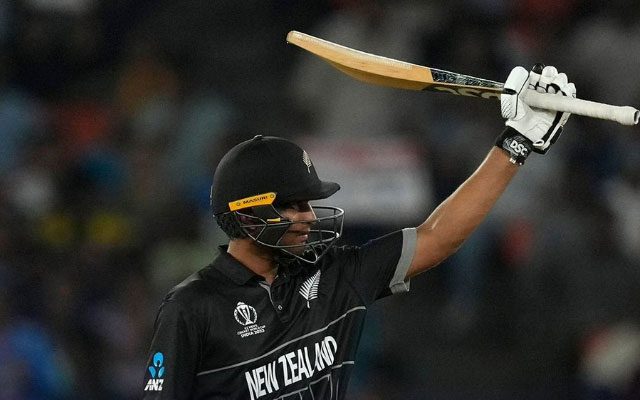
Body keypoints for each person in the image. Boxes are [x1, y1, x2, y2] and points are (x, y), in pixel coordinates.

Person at [142, 64, 576, 399]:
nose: (309, 217)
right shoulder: (191, 308)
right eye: (293, 205)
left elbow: (438, 236)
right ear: (248, 213)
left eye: (308, 204)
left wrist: (516, 143)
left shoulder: (336, 275)